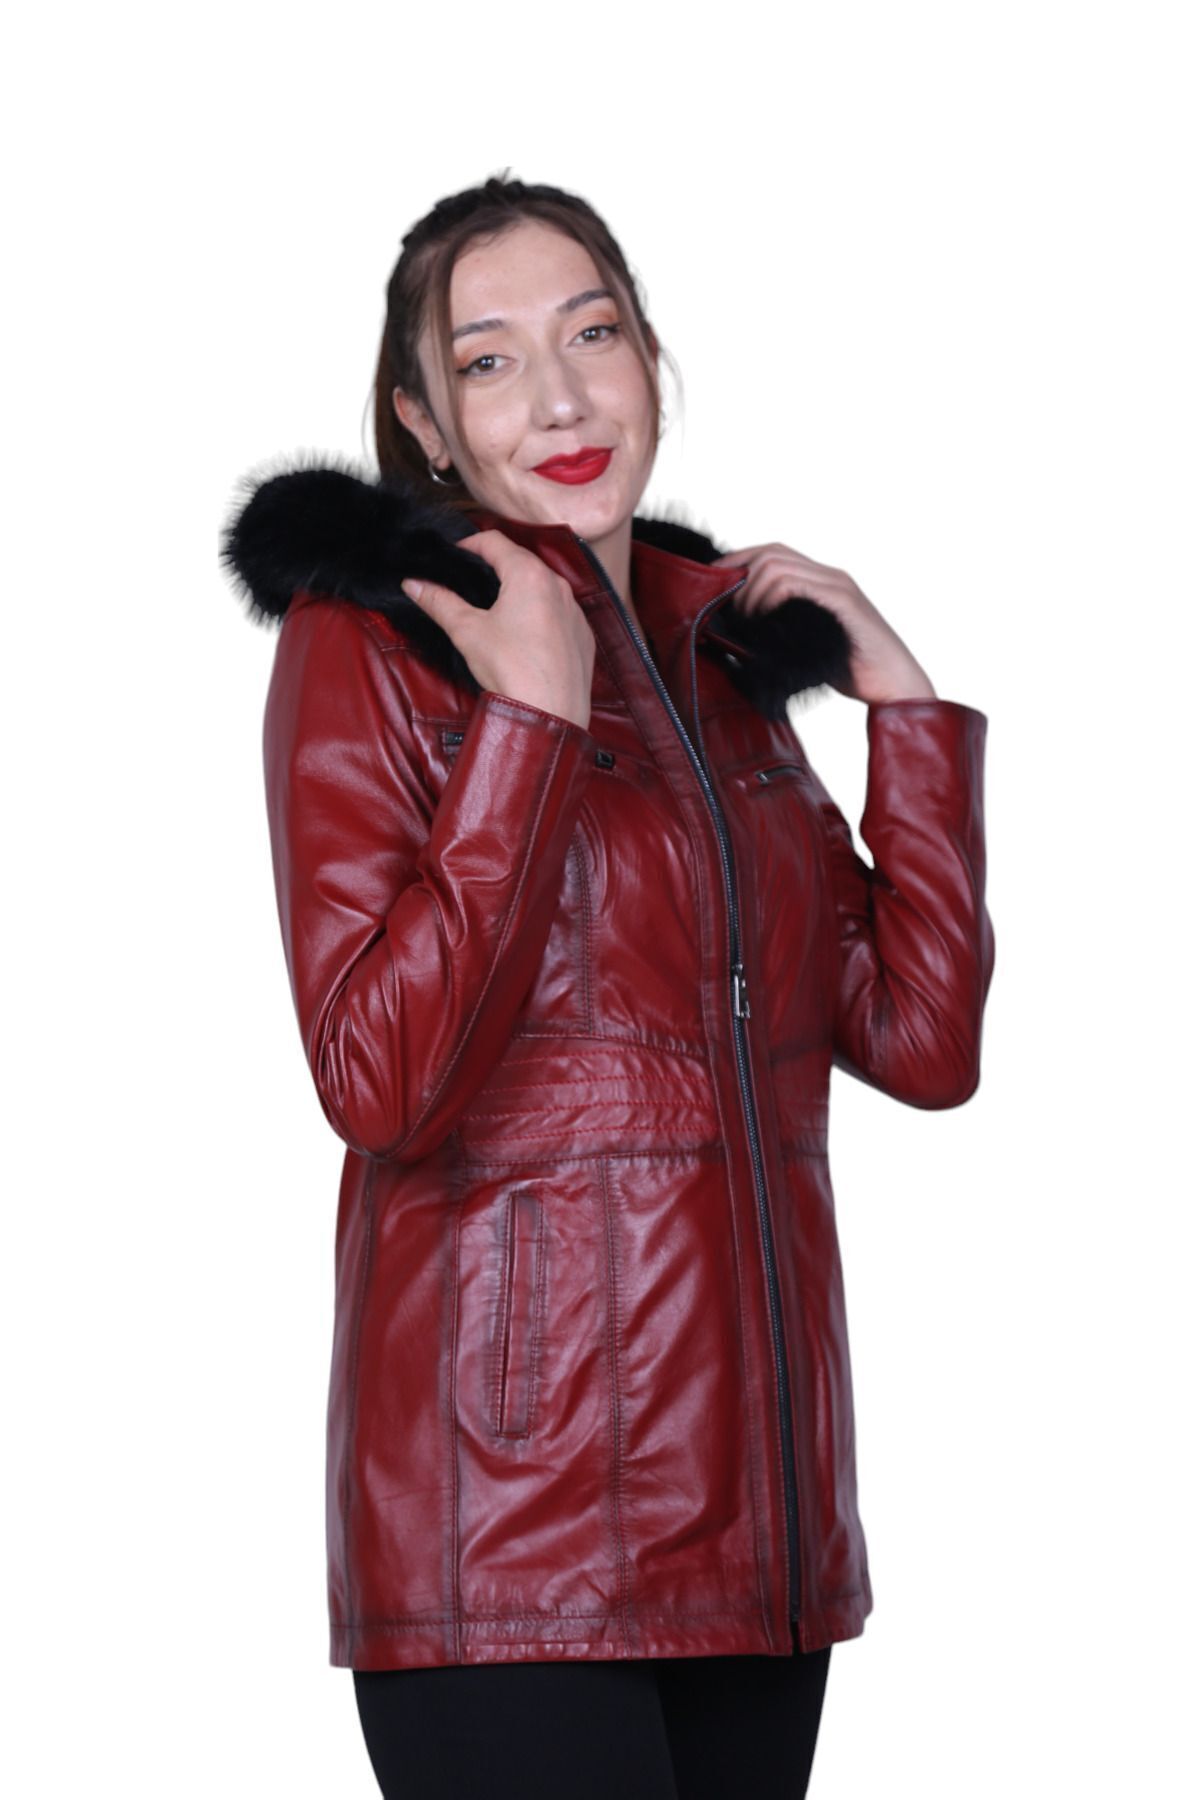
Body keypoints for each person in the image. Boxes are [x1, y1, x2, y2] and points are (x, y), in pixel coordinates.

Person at [219, 172, 995, 1798]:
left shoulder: (721, 658)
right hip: (509, 1530)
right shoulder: (375, 640)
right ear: (424, 420)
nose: (561, 400)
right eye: (489, 360)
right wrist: (531, 722)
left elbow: (920, 1040)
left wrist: (907, 713)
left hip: (760, 1520)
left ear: (650, 355)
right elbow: (377, 1079)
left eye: (593, 335)